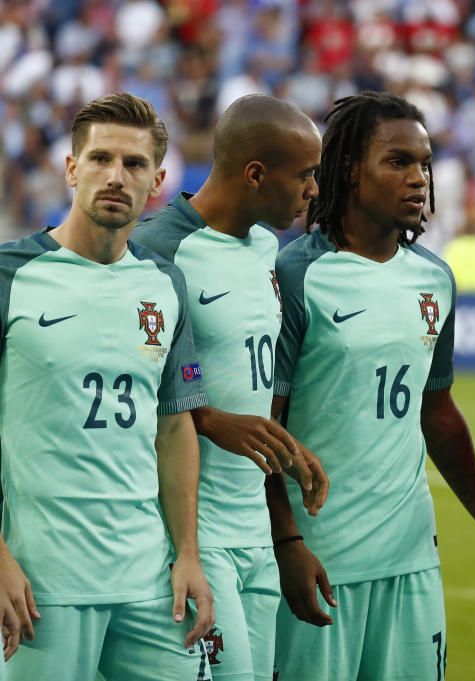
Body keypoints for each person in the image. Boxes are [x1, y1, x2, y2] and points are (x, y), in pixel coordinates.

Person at [265, 91, 475, 681]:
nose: (419, 179)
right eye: (399, 162)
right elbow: (265, 427)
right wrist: (286, 543)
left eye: (425, 163)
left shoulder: (434, 278)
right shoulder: (295, 276)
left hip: (410, 555)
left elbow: (437, 411)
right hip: (321, 556)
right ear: (350, 170)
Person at [0, 92, 214, 680]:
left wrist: (188, 554)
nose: (116, 176)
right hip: (41, 586)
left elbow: (174, 428)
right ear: (72, 168)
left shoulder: (164, 283)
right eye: (100, 159)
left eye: (135, 164)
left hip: (149, 582)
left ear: (159, 181)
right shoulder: (10, 275)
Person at [131, 94, 330, 681]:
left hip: (255, 535)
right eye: (305, 175)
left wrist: (281, 448)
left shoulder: (268, 247)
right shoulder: (160, 250)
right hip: (192, 534)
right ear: (255, 174)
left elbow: (247, 377)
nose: (312, 190)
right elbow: (133, 388)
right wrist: (212, 420)